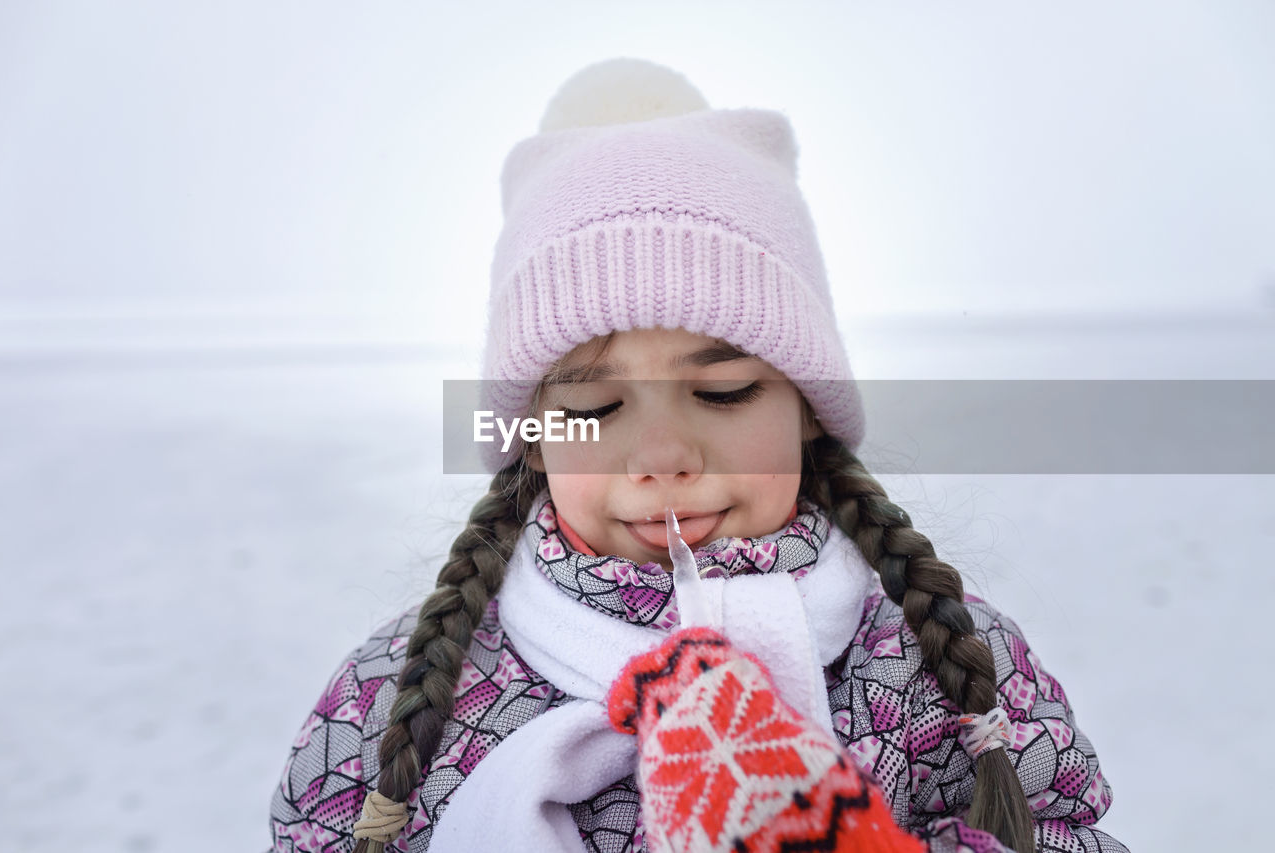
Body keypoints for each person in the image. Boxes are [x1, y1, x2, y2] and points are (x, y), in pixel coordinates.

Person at [269, 58, 1126, 853]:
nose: (663, 454)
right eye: (596, 407)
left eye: (723, 393)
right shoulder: (396, 700)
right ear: (534, 435)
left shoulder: (937, 663)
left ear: (807, 410)